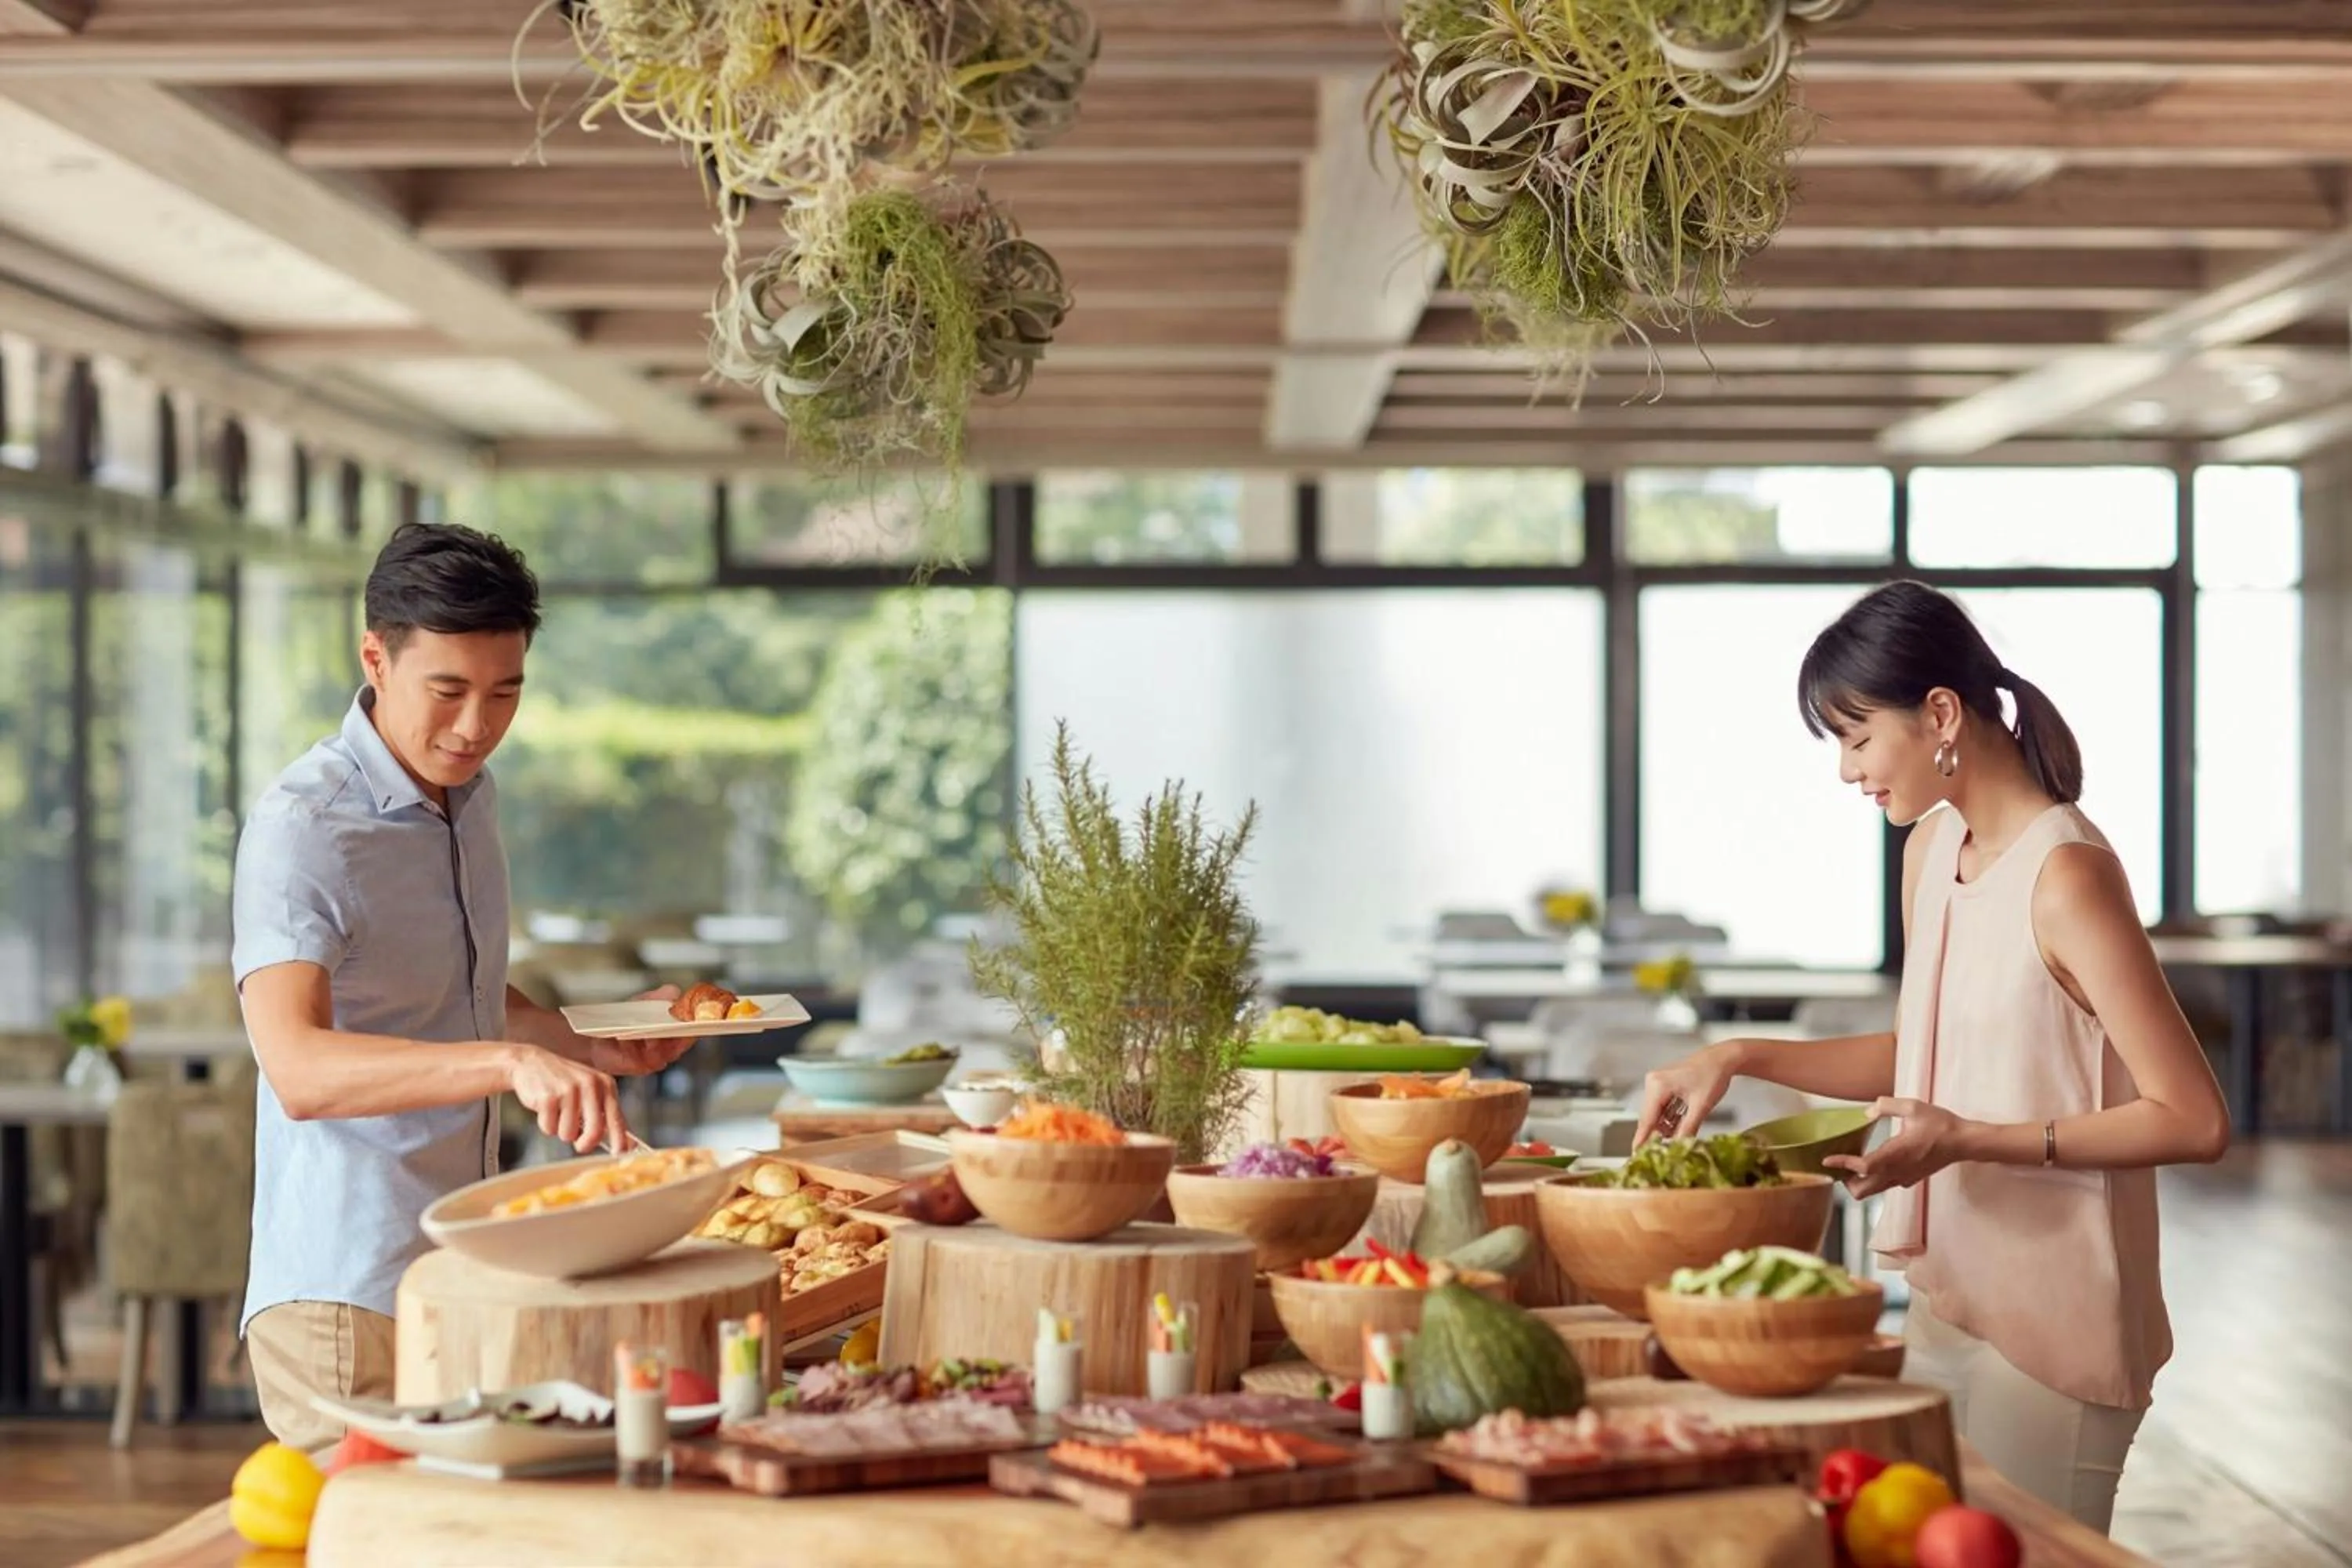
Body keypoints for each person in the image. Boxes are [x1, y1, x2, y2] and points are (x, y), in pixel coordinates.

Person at [1632, 579, 2230, 1534]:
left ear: (1940, 713)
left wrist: (1968, 1139)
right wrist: (1739, 1054)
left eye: (1858, 736)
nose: (1845, 769)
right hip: (1951, 1292)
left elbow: (2193, 1118)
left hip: (2062, 1317)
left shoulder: (2067, 872)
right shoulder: (1935, 846)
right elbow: (1928, 1049)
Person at [230, 522, 696, 1452]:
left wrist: (589, 1039)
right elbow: (300, 1067)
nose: (476, 724)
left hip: (459, 1262)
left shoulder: (467, 796)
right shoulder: (305, 825)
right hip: (344, 1287)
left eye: (505, 692)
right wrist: (511, 1059)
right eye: (447, 690)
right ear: (375, 655)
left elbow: (458, 1000)